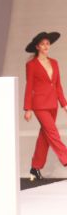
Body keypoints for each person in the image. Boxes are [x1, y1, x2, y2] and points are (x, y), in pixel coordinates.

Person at [23, 31, 67, 180]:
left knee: (45, 136)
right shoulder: (31, 65)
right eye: (43, 44)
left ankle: (35, 168)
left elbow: (58, 85)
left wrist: (64, 104)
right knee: (53, 133)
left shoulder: (54, 62)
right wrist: (28, 108)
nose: (46, 46)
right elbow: (29, 86)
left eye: (48, 43)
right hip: (40, 105)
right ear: (37, 47)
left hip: (52, 104)